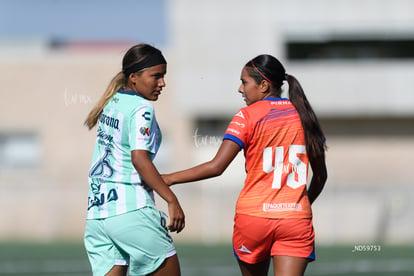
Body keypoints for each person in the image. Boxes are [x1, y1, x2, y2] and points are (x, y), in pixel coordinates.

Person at [162, 54, 327, 276]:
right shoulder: (306, 116)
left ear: (264, 85)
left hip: (254, 218)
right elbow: (320, 176)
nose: (240, 89)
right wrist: (298, 206)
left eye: (244, 82)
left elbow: (216, 167)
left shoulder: (247, 116)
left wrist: (168, 178)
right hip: (295, 220)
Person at [83, 43, 185, 276]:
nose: (162, 83)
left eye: (163, 76)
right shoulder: (142, 108)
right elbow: (139, 159)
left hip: (97, 216)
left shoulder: (112, 103)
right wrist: (171, 199)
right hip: (131, 212)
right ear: (134, 77)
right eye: (156, 76)